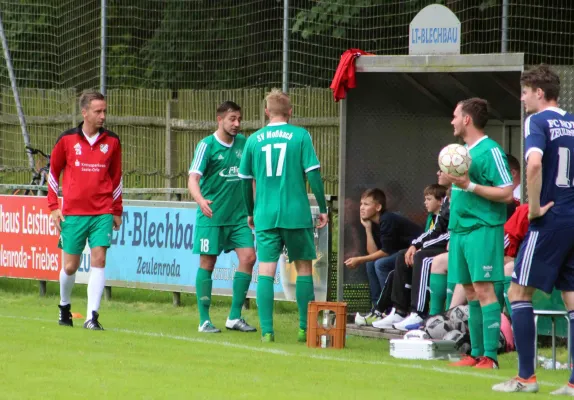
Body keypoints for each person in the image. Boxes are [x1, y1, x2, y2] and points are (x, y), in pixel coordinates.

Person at [494, 65, 574, 395]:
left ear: (539, 93)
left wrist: (536, 206)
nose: (523, 98)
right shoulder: (572, 122)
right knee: (572, 298)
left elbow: (535, 163)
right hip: (573, 217)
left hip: (550, 220)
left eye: (525, 92)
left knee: (518, 292)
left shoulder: (537, 121)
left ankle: (526, 377)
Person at [239, 89, 328, 343]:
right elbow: (313, 175)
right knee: (303, 268)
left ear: (266, 112)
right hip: (296, 212)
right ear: (290, 111)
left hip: (265, 213)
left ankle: (267, 331)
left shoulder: (254, 140)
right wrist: (322, 208)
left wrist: (250, 211)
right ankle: (304, 328)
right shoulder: (300, 135)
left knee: (266, 270)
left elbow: (245, 181)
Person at [444, 98, 513, 370]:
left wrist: (470, 185)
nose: (452, 121)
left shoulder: (491, 151)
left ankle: (491, 357)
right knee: (470, 291)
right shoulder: (460, 151)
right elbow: (461, 185)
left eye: (454, 115)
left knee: (484, 290)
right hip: (459, 229)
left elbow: (507, 193)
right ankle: (474, 353)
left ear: (467, 119)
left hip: (482, 228)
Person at [48, 90, 122, 330]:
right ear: (84, 112)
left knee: (99, 259)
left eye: (104, 111)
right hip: (74, 213)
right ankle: (64, 305)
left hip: (102, 211)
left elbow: (117, 177)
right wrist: (53, 206)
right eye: (98, 111)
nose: (103, 116)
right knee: (70, 266)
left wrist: (117, 209)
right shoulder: (67, 140)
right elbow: (53, 173)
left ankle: (92, 317)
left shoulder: (112, 141)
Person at [188, 101, 257, 334]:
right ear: (220, 120)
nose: (237, 124)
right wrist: (200, 200)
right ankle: (204, 320)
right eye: (232, 119)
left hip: (239, 217)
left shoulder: (245, 144)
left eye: (239, 119)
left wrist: (253, 208)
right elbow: (193, 179)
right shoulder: (206, 146)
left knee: (248, 258)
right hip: (212, 215)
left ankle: (234, 317)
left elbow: (252, 179)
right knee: (207, 263)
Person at [376, 175, 449, 330]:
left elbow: (450, 234)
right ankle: (399, 310)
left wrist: (422, 247)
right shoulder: (445, 206)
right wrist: (415, 244)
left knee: (422, 257)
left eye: (429, 199)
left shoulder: (457, 197)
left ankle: (419, 312)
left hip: (452, 248)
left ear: (440, 200)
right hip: (438, 246)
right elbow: (435, 231)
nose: (438, 173)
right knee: (404, 255)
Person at [345, 188, 423, 319]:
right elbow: (374, 252)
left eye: (366, 204)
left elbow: (385, 253)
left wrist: (359, 259)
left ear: (378, 207)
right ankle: (377, 307)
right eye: (361, 204)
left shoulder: (387, 219)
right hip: (399, 254)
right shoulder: (374, 223)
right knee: (371, 264)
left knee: (381, 264)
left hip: (417, 251)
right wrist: (368, 229)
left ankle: (391, 308)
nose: (361, 208)